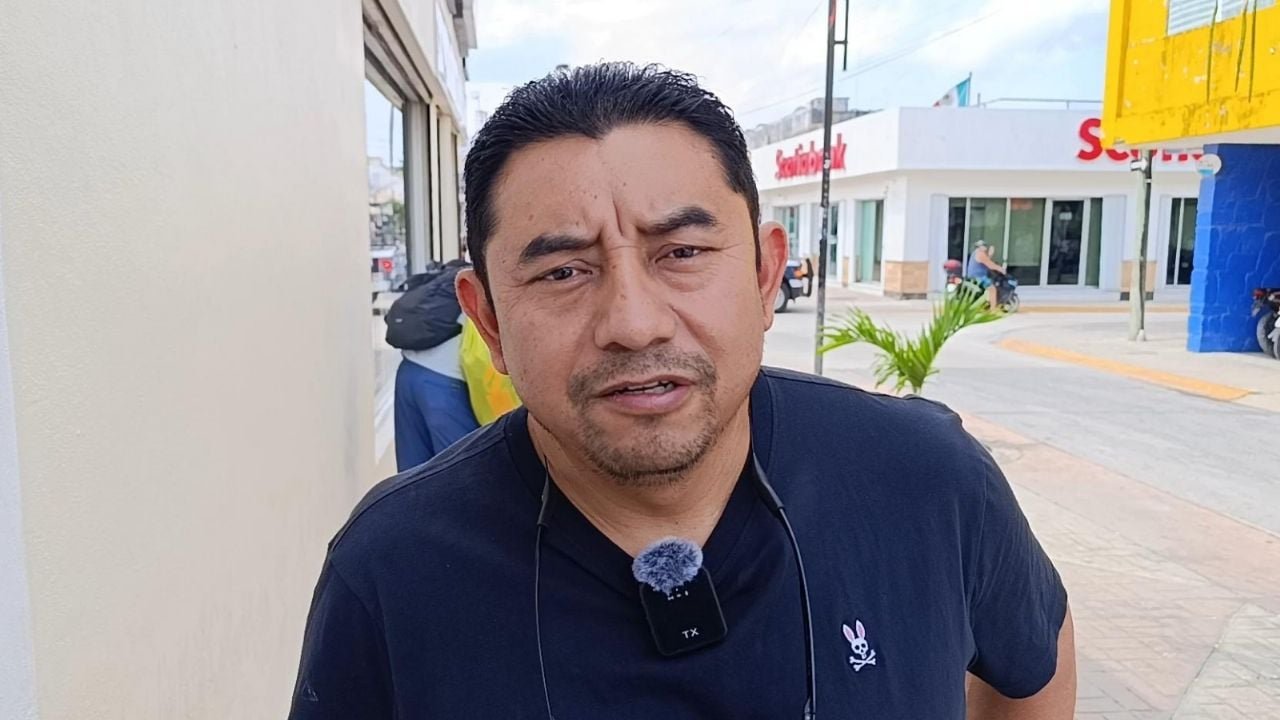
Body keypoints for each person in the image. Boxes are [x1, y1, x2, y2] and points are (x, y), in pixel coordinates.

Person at [290, 63, 1075, 719]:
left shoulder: (926, 482)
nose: (633, 323)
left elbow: (1032, 662)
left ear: (766, 277)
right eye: (564, 271)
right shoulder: (392, 571)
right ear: (488, 320)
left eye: (684, 251)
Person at [386, 259, 480, 470]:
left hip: (408, 372)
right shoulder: (483, 286)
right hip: (443, 384)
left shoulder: (448, 281)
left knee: (413, 473)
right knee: (462, 471)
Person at [967, 240, 1007, 311]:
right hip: (978, 277)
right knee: (992, 289)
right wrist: (1001, 269)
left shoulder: (977, 253)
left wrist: (990, 255)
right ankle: (993, 309)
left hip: (975, 276)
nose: (985, 247)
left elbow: (986, 261)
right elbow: (990, 265)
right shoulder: (980, 254)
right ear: (979, 247)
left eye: (985, 245)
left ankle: (986, 304)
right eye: (983, 246)